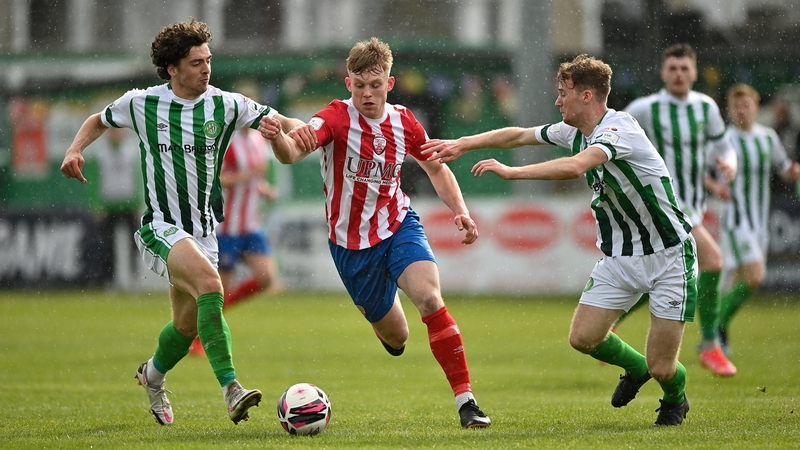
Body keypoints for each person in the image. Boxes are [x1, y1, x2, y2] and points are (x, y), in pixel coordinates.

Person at [422, 54, 695, 426]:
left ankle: (675, 397)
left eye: (562, 93)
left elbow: (576, 166)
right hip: (621, 256)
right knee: (583, 338)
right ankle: (636, 370)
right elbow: (518, 134)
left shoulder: (619, 130)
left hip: (669, 255)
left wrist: (512, 172)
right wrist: (464, 143)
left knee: (664, 367)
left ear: (586, 95)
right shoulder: (576, 132)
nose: (557, 101)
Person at [60, 18, 308, 426]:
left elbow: (286, 122)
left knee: (187, 325)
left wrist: (303, 132)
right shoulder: (142, 103)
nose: (206, 68)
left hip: (205, 231)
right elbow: (96, 121)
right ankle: (232, 390)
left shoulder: (226, 104)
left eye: (208, 60)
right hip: (160, 226)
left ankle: (152, 376)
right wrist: (74, 149)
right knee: (213, 286)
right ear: (172, 68)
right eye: (196, 62)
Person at [259, 37, 491, 429]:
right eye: (360, 85)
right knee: (398, 337)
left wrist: (461, 211)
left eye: (376, 84)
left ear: (390, 82)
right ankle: (386, 329)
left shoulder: (405, 121)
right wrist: (278, 138)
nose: (368, 93)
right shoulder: (333, 118)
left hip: (399, 224)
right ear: (348, 84)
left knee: (431, 300)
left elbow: (436, 167)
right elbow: (293, 153)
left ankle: (467, 403)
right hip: (351, 247)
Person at [622, 43, 738, 377]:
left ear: (695, 73)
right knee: (713, 261)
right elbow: (612, 136)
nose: (678, 74)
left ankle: (610, 322)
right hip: (664, 205)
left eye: (685, 68)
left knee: (660, 277)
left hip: (693, 206)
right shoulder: (645, 108)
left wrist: (729, 166)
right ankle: (710, 346)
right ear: (663, 73)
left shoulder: (706, 108)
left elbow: (724, 147)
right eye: (672, 68)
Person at [716, 83, 800, 355]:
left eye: (746, 105)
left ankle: (716, 330)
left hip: (759, 223)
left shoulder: (768, 137)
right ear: (729, 110)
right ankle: (716, 326)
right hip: (736, 221)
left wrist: (793, 172)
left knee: (735, 280)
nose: (741, 110)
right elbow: (710, 174)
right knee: (755, 276)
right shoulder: (723, 139)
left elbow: (784, 169)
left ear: (756, 107)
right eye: (736, 106)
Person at [189, 125, 284, 356]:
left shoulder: (259, 140)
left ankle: (211, 317)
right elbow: (215, 180)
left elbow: (253, 180)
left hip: (251, 226)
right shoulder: (226, 142)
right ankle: (197, 338)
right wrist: (248, 176)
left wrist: (263, 190)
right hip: (227, 227)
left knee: (266, 278)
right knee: (218, 289)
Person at [90, 126, 141, 289]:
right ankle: (110, 280)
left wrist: (138, 202)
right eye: (111, 131)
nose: (114, 134)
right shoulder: (100, 153)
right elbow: (93, 180)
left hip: (129, 204)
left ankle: (134, 278)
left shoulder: (131, 151)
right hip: (109, 205)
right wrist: (97, 204)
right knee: (108, 245)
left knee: (134, 243)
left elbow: (138, 178)